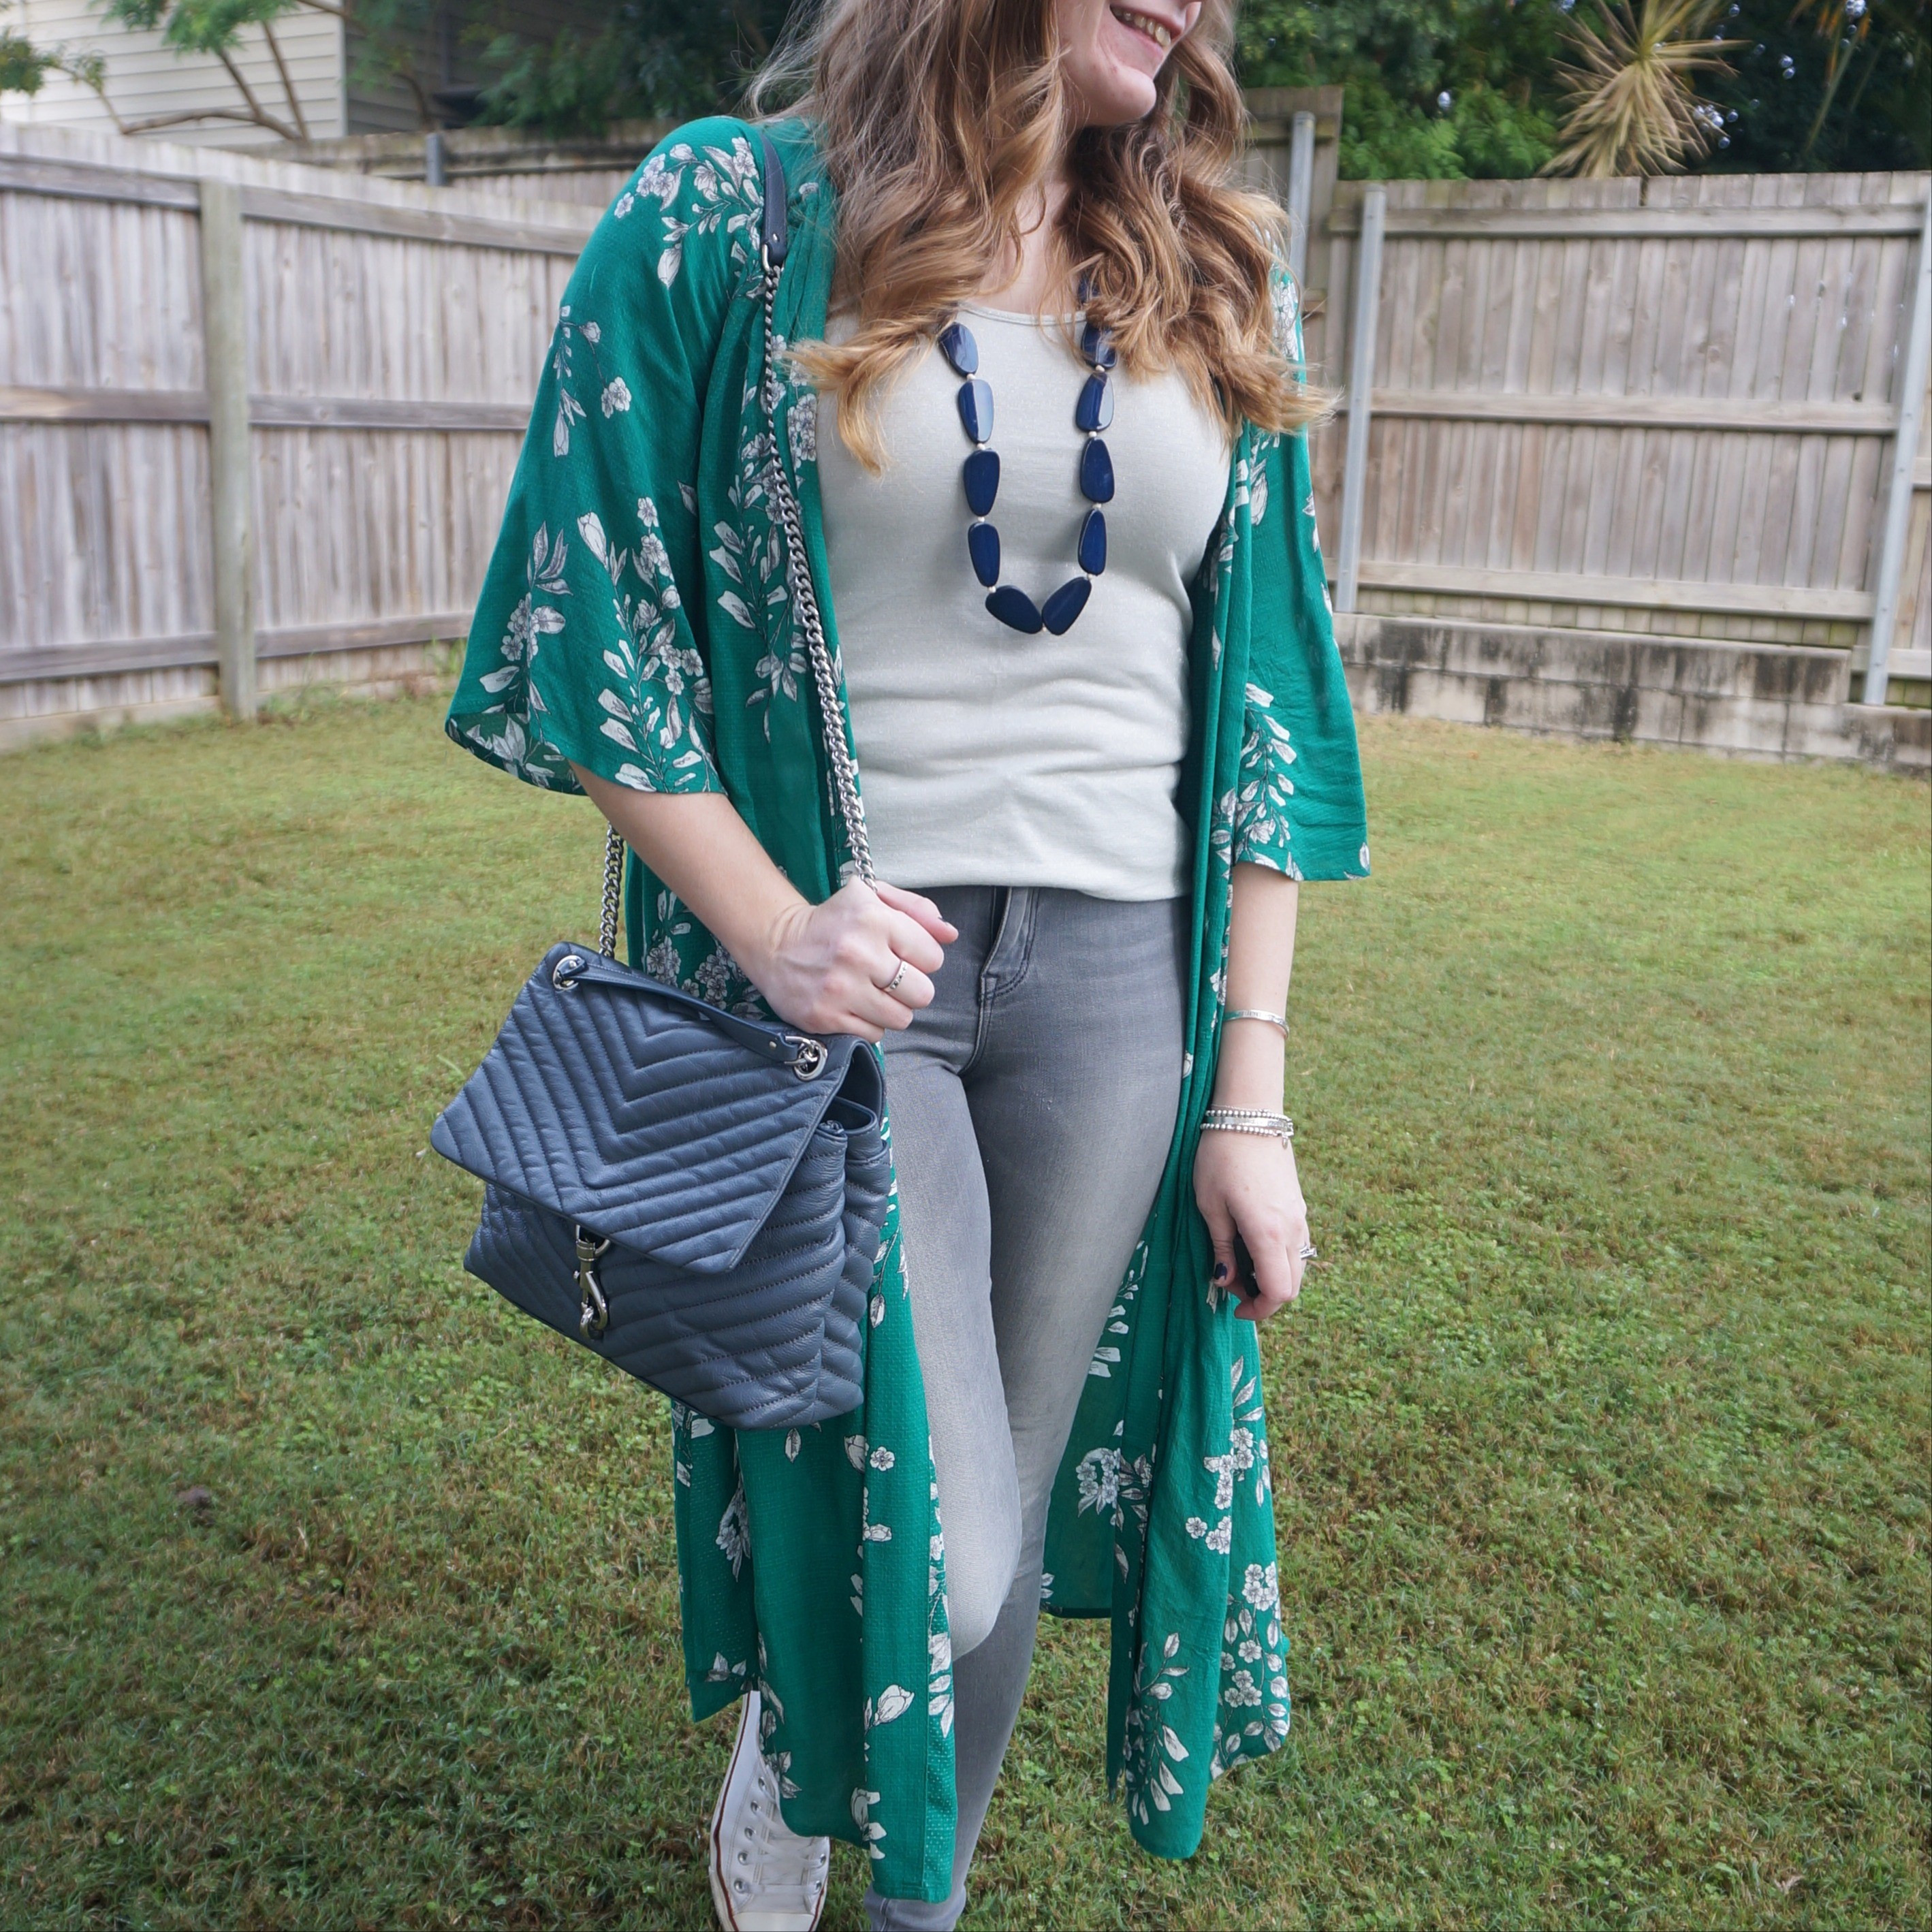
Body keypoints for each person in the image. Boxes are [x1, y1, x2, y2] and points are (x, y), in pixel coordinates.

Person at [445, 0, 1369, 1924]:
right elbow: (584, 609)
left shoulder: (1205, 263)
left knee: (1001, 1522)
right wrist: (774, 926)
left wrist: (1253, 1104)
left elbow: (1274, 705)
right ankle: (808, 1735)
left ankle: (910, 1904)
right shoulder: (733, 217)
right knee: (942, 1557)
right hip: (861, 986)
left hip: (1119, 985)